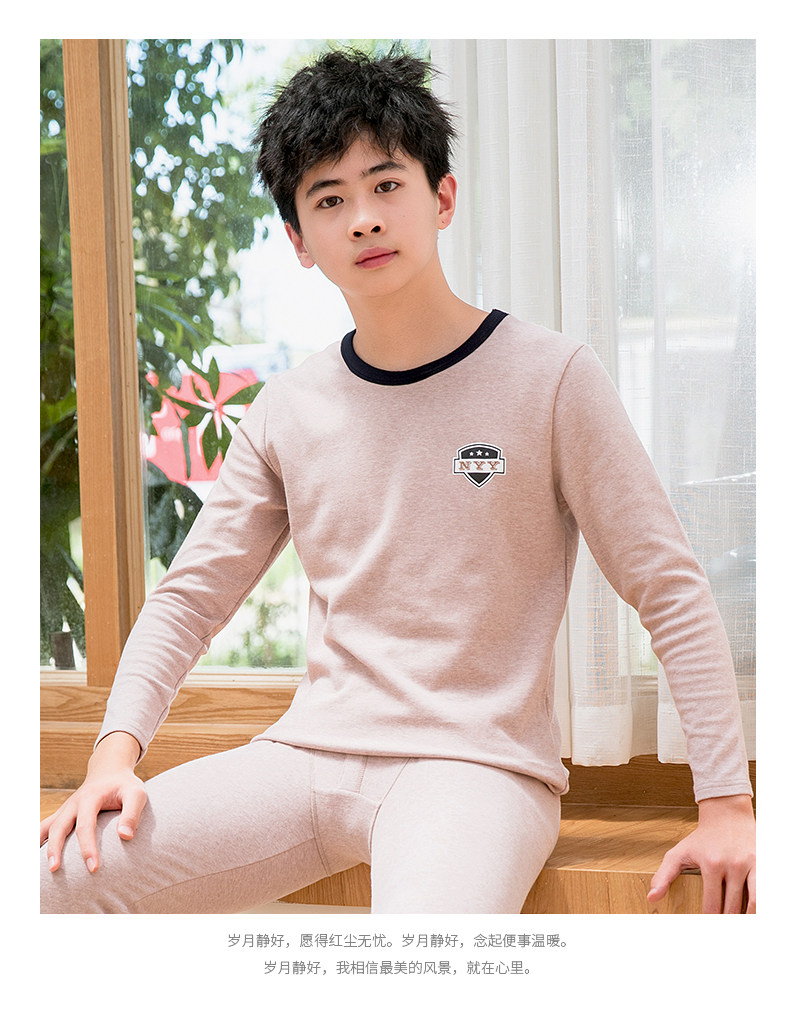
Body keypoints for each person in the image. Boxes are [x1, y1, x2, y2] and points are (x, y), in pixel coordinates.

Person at [40, 48, 755, 915]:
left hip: (477, 770)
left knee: (420, 964)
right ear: (299, 241)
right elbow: (190, 599)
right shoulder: (288, 407)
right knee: (50, 885)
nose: (365, 220)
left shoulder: (554, 377)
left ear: (442, 198)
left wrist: (727, 802)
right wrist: (113, 758)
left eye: (386, 185)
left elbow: (668, 587)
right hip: (304, 758)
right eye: (329, 201)